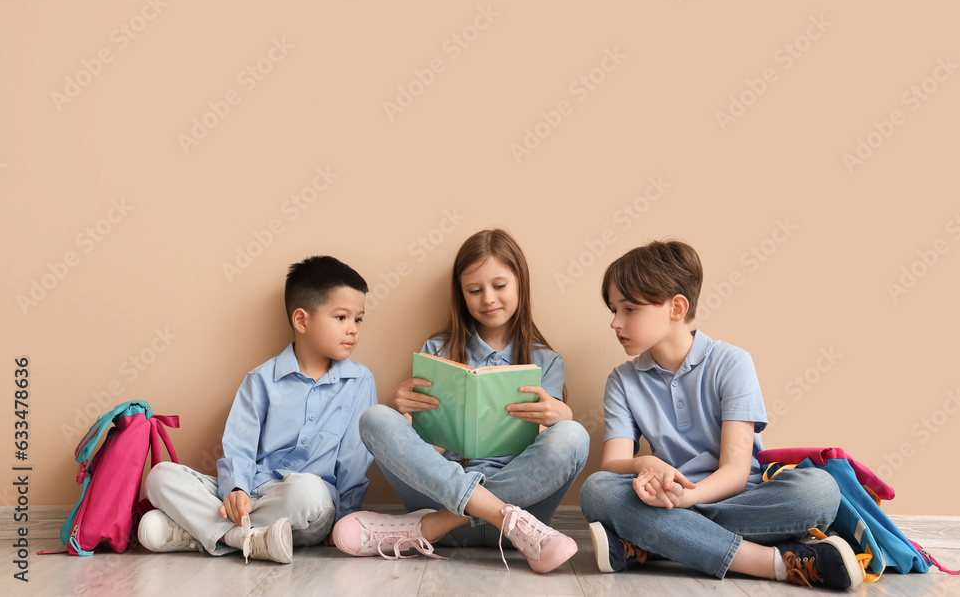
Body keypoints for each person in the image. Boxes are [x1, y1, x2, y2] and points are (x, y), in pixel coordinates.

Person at [579, 240, 862, 590]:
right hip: (666, 499)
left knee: (819, 491)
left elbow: (736, 470)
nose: (615, 322)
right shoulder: (622, 380)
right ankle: (774, 562)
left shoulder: (732, 362)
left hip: (741, 498)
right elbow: (612, 465)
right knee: (596, 490)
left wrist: (687, 499)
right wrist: (643, 464)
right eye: (613, 309)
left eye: (629, 309)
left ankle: (655, 542)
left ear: (676, 307)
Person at [332, 229, 589, 574]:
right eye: (474, 290)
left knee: (575, 434)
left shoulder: (547, 361)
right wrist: (402, 414)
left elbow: (544, 451)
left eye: (499, 286)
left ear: (520, 286)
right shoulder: (436, 350)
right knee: (375, 417)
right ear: (461, 294)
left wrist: (560, 415)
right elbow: (426, 452)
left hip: (518, 515)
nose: (488, 299)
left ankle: (429, 528)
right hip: (451, 497)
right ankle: (489, 513)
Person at [138, 255, 378, 564]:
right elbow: (239, 443)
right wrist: (236, 488)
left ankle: (206, 534)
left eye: (358, 319)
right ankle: (243, 538)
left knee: (310, 493)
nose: (353, 330)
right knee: (160, 476)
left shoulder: (359, 381)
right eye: (342, 317)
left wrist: (346, 519)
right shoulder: (261, 380)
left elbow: (354, 461)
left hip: (304, 505)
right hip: (252, 492)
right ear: (302, 320)